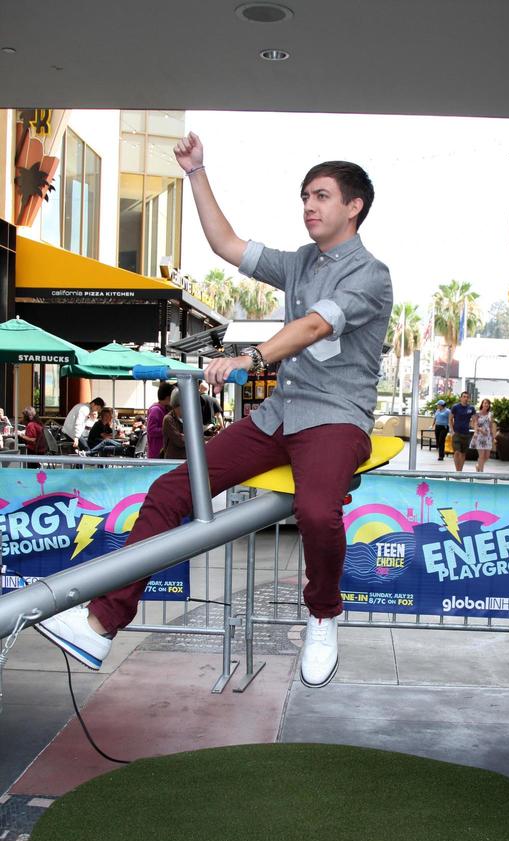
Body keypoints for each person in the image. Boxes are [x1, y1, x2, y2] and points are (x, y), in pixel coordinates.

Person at [36, 132, 393, 690]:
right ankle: (102, 623)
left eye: (321, 196)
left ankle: (323, 614)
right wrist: (196, 173)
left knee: (318, 511)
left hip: (335, 416)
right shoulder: (298, 263)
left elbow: (314, 326)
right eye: (305, 196)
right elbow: (227, 244)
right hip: (280, 414)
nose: (309, 207)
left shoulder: (370, 274)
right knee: (169, 492)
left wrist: (249, 357)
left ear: (354, 206)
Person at [449, 390, 476, 472]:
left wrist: (474, 428)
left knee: (463, 453)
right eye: (464, 397)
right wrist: (452, 430)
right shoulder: (455, 407)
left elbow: (475, 420)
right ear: (460, 398)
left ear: (469, 399)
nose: (465, 398)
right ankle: (457, 470)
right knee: (457, 452)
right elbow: (450, 419)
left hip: (466, 434)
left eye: (467, 397)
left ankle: (460, 471)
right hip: (456, 433)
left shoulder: (471, 408)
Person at [146, 383, 174, 459]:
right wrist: (167, 430)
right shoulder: (156, 410)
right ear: (168, 397)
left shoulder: (165, 409)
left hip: (162, 451)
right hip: (157, 453)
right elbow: (151, 430)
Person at [470, 398, 495, 472]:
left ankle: (478, 466)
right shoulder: (477, 414)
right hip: (480, 436)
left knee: (487, 456)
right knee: (481, 456)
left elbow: (491, 426)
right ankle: (481, 472)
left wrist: (493, 436)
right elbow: (473, 424)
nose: (486, 404)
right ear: (482, 404)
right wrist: (479, 430)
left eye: (488, 403)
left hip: (487, 437)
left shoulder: (490, 414)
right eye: (485, 403)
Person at [161, 391, 186, 460]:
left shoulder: (189, 418)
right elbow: (179, 441)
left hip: (187, 460)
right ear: (176, 406)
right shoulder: (168, 419)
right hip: (173, 460)